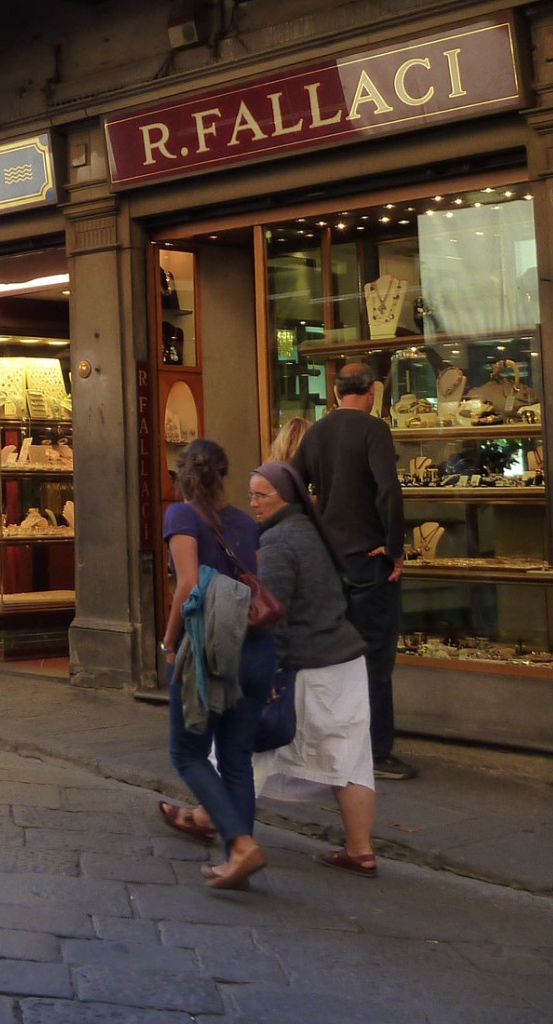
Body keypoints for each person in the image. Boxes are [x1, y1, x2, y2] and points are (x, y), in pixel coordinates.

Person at [248, 461, 380, 876]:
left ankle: (211, 822)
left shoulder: (279, 541)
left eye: (261, 495)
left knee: (251, 748)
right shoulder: (315, 532)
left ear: (284, 497)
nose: (252, 503)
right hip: (346, 663)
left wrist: (267, 671)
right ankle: (360, 850)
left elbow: (274, 612)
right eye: (250, 494)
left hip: (309, 668)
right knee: (353, 759)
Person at [157, 438, 274, 890]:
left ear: (181, 475)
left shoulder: (181, 515)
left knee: (186, 753)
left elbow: (188, 584)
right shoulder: (245, 522)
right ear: (223, 475)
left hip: (209, 650)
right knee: (236, 759)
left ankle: (241, 845)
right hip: (257, 648)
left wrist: (169, 641)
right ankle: (236, 860)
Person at [293, 364, 412, 780]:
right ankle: (377, 753)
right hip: (368, 560)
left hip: (332, 562)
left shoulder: (318, 432)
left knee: (334, 657)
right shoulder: (373, 429)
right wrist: (395, 549)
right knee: (375, 660)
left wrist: (316, 531)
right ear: (373, 392)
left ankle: (331, 744)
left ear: (336, 391)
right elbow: (388, 490)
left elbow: (292, 485)